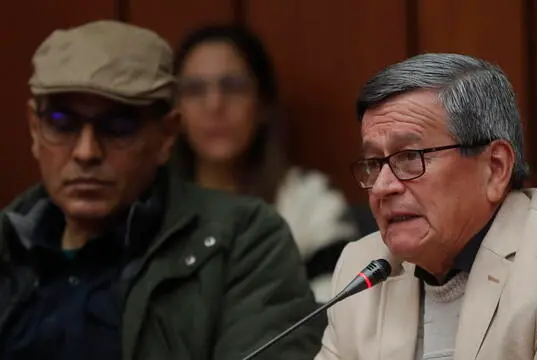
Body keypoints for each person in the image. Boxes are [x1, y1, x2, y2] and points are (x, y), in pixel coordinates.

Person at [0, 20, 324, 360]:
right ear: (35, 129)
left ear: (167, 135)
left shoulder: (243, 239)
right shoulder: (10, 242)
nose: (86, 152)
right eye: (62, 124)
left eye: (119, 127)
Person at [314, 53, 537, 360]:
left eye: (410, 157)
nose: (383, 186)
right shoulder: (362, 268)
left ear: (495, 168)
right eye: (374, 162)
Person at [171, 24, 359, 303]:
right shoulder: (149, 206)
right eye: (195, 89)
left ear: (262, 103)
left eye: (232, 86)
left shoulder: (311, 203)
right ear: (176, 111)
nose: (214, 104)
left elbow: (331, 318)